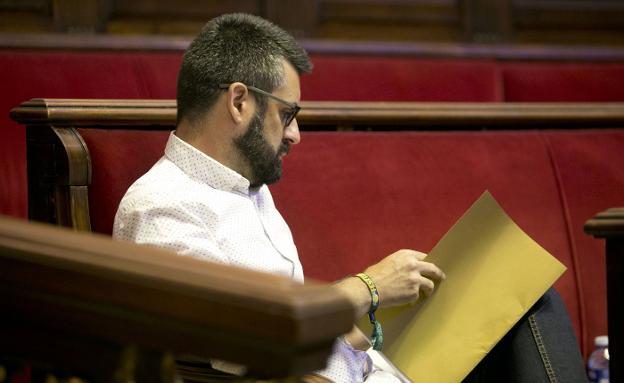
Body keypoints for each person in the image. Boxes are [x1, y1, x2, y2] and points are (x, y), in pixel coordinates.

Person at [113, 13, 586, 383]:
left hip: (369, 367)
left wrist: (371, 328)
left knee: (518, 295)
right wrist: (369, 287)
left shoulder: (247, 188)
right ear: (239, 102)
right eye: (288, 113)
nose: (295, 134)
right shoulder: (161, 205)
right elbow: (237, 335)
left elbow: (290, 323)